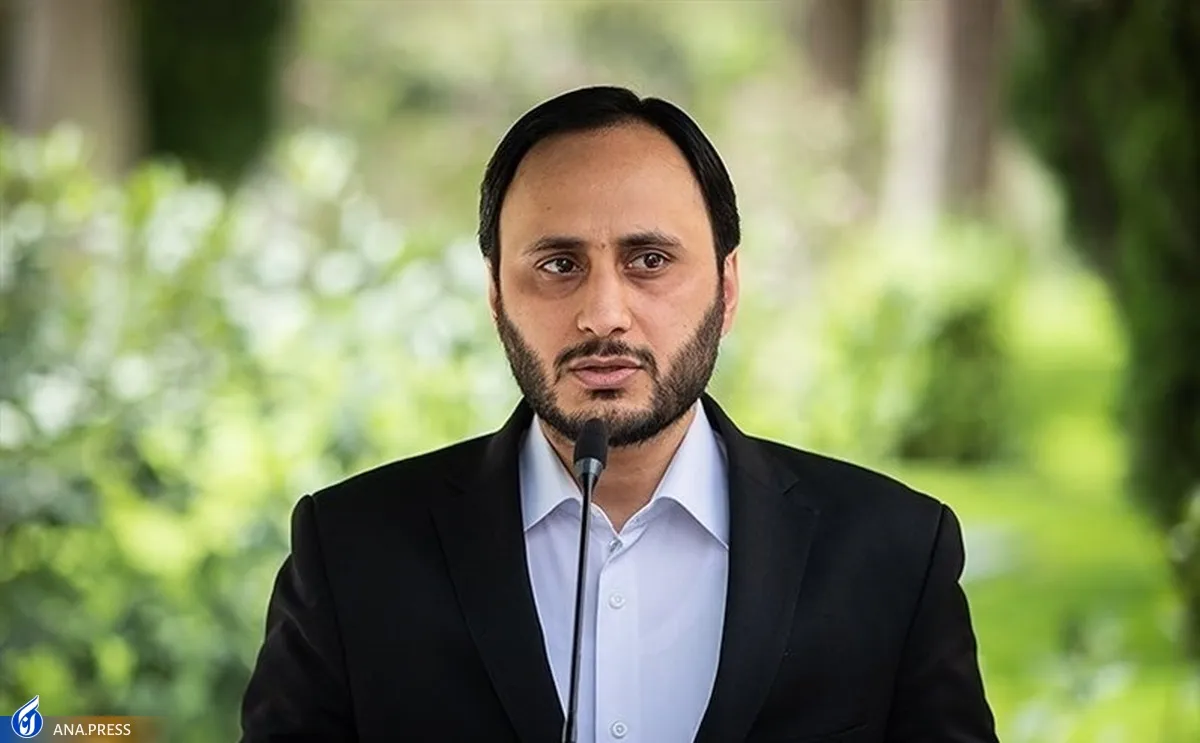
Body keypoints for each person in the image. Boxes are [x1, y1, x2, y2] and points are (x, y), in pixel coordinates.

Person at [239, 85, 998, 743]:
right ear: (496, 295)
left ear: (728, 288)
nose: (603, 314)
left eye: (650, 261)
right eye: (559, 265)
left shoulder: (895, 553)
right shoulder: (350, 552)